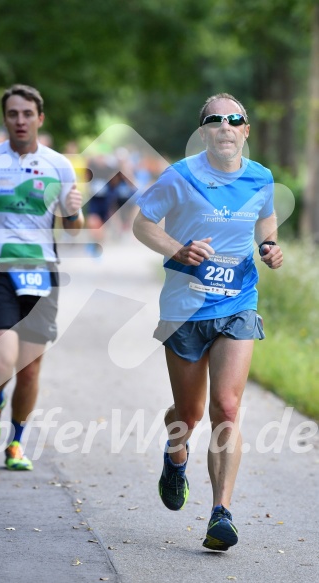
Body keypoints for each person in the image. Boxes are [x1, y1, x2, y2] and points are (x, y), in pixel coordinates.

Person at [133, 93, 283, 551]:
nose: (224, 125)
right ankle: (175, 453)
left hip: (238, 302)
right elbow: (143, 224)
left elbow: (266, 217)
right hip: (185, 308)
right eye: (214, 120)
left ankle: (221, 512)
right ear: (203, 132)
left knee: (227, 408)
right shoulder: (180, 177)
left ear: (245, 131)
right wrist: (178, 250)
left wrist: (269, 246)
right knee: (190, 414)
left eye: (234, 119)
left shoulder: (261, 177)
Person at [0, 84, 84, 471]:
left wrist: (73, 212)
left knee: (29, 370)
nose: (20, 121)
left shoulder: (58, 165)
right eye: (13, 114)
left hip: (43, 273)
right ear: (5, 119)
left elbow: (73, 231)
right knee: (2, 358)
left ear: (40, 119)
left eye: (28, 114)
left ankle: (16, 444)